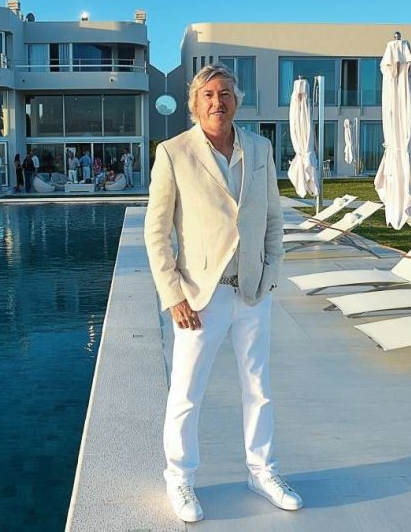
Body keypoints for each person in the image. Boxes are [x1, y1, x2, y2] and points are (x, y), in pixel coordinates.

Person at [144, 64, 300, 523]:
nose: (218, 101)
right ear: (195, 104)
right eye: (209, 94)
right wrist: (174, 295)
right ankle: (179, 478)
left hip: (252, 290)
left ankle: (263, 472)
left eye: (226, 93)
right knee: (187, 393)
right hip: (199, 297)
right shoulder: (173, 153)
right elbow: (156, 233)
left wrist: (270, 273)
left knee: (259, 388)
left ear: (237, 100)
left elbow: (272, 218)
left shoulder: (260, 148)